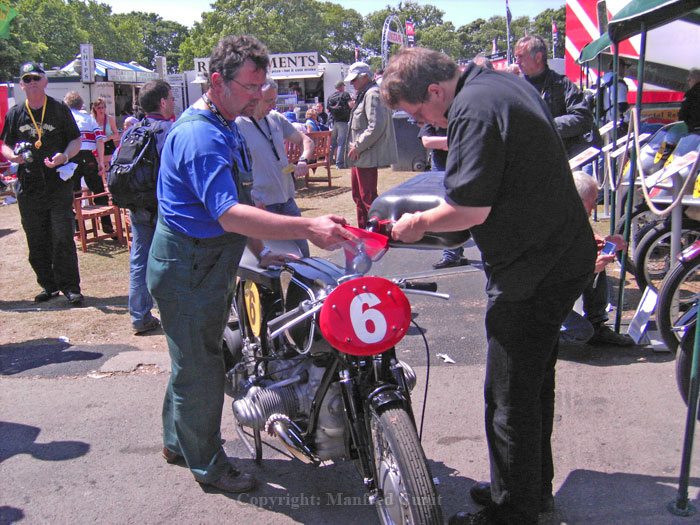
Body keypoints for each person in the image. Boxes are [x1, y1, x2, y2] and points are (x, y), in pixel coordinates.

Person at [381, 47, 596, 525]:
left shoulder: (472, 109)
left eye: (420, 113)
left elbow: (467, 211)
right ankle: (529, 490)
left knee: (508, 396)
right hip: (558, 255)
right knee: (533, 383)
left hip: (534, 269)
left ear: (435, 90)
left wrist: (416, 223)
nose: (426, 123)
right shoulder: (501, 84)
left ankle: (513, 512)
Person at [147, 35, 353, 495]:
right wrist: (308, 229)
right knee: (201, 368)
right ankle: (210, 466)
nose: (259, 96)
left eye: (263, 87)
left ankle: (178, 443)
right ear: (217, 81)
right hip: (188, 269)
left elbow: (241, 200)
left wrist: (261, 251)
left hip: (205, 266)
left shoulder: (226, 123)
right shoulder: (201, 134)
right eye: (250, 87)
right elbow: (228, 213)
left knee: (194, 361)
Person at [1, 62, 83, 304]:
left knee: (62, 237)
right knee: (36, 238)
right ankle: (48, 285)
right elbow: (4, 143)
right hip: (29, 185)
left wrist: (65, 156)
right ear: (21, 85)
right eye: (27, 79)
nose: (32, 82)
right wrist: (11, 156)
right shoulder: (15, 113)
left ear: (45, 81)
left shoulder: (58, 110)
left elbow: (76, 140)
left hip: (57, 184)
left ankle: (70, 287)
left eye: (36, 77)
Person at [236, 77, 315, 257]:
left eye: (275, 99)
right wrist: (252, 199)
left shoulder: (276, 118)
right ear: (254, 97)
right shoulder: (238, 125)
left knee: (303, 255)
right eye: (269, 100)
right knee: (275, 260)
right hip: (263, 206)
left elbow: (306, 140)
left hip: (287, 200)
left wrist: (303, 160)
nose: (273, 105)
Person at [431, 55, 494, 270]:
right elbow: (427, 139)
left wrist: (418, 224)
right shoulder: (444, 105)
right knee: (448, 205)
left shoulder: (477, 106)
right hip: (444, 165)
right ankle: (451, 253)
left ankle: (489, 253)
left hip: (472, 167)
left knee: (477, 212)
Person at [561, 172, 635, 346]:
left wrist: (605, 242)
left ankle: (597, 323)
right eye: (592, 201)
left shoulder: (571, 214)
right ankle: (534, 339)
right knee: (581, 332)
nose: (595, 207)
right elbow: (554, 273)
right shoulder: (556, 222)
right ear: (578, 200)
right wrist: (589, 268)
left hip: (554, 289)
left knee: (597, 257)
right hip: (539, 299)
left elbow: (583, 241)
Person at [125, 79, 175, 335]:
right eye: (172, 98)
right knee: (172, 261)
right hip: (164, 206)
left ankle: (139, 316)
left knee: (139, 261)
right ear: (163, 102)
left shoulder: (132, 131)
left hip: (138, 205)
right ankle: (174, 314)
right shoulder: (170, 130)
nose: (174, 102)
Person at [515, 35, 594, 157]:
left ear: (538, 57)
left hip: (559, 159)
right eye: (516, 57)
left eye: (520, 57)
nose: (517, 62)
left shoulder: (562, 84)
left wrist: (546, 126)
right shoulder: (516, 88)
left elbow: (582, 118)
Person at [344, 61, 398, 229]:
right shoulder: (366, 93)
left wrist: (358, 146)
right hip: (360, 154)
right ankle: (365, 232)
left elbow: (376, 126)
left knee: (368, 198)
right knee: (359, 197)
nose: (351, 84)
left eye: (354, 80)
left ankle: (376, 232)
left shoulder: (372, 94)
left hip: (365, 153)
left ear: (365, 77)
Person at [63, 91, 113, 234]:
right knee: (99, 190)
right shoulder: (88, 119)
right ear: (80, 105)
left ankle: (78, 228)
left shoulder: (65, 119)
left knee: (74, 193)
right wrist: (101, 161)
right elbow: (100, 140)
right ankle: (107, 224)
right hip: (89, 157)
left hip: (71, 158)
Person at [327, 79, 352, 169]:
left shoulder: (330, 97)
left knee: (332, 143)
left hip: (333, 122)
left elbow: (328, 110)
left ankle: (328, 162)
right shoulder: (345, 94)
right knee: (341, 143)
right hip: (343, 122)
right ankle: (339, 164)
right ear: (342, 87)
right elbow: (351, 105)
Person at [91, 97, 120, 169]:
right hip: (95, 146)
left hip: (108, 145)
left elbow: (116, 134)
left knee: (109, 168)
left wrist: (107, 138)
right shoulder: (91, 119)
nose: (101, 110)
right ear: (95, 108)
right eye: (99, 108)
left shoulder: (109, 119)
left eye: (103, 107)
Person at [679, 67, 700, 132]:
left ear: (696, 77)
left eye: (689, 80)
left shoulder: (691, 93)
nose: (689, 83)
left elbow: (683, 113)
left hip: (694, 129)